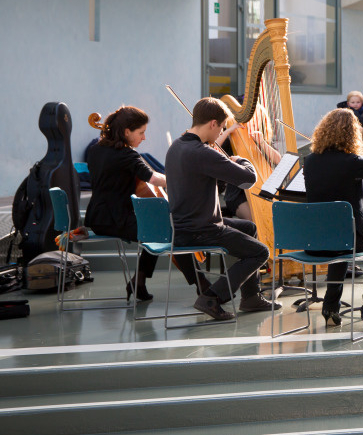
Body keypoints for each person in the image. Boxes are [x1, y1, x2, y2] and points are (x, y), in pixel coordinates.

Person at [164, 97, 278, 321]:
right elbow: (248, 180)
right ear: (213, 123)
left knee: (248, 227)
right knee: (261, 252)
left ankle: (251, 297)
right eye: (223, 128)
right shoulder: (202, 153)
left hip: (182, 226)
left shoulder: (176, 147)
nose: (221, 134)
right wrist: (241, 160)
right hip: (201, 228)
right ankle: (212, 297)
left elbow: (209, 182)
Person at [85, 105, 205, 302]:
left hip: (97, 216)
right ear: (126, 132)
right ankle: (203, 287)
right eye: (141, 132)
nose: (144, 137)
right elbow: (153, 179)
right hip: (116, 219)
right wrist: (183, 179)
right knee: (168, 233)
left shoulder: (96, 150)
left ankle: (138, 282)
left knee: (155, 229)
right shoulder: (126, 155)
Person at [303, 108, 363, 331]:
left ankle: (330, 309)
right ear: (352, 134)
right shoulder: (353, 161)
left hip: (315, 241)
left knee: (340, 250)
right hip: (349, 238)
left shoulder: (309, 161)